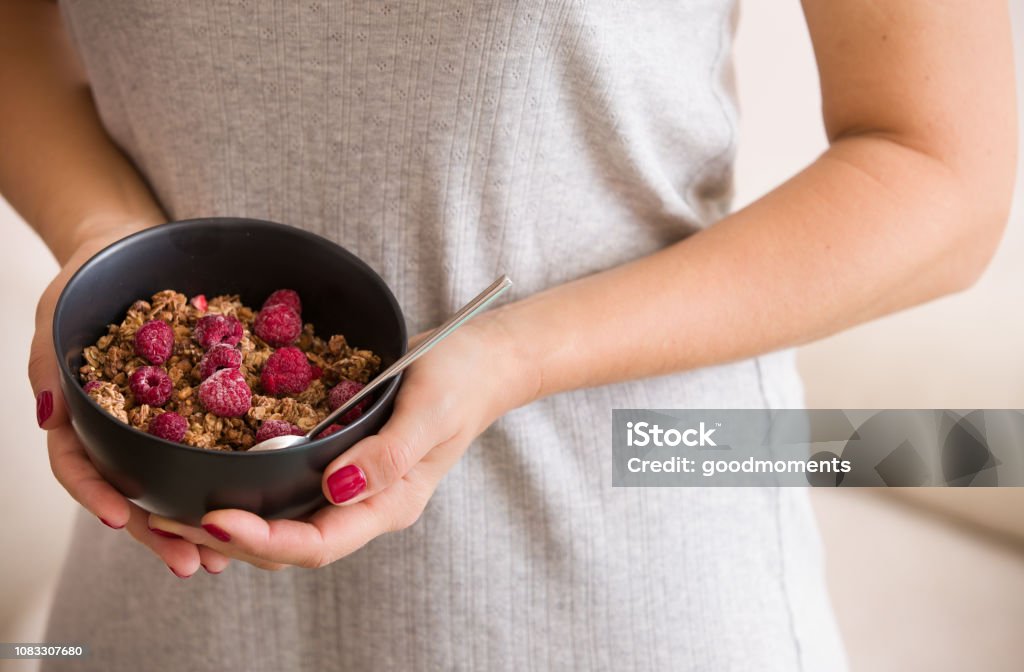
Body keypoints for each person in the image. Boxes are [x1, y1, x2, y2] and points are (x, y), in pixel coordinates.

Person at [1, 0, 1015, 670]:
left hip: (612, 574)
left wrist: (513, 354)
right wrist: (107, 252)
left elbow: (940, 175)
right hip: (161, 578)